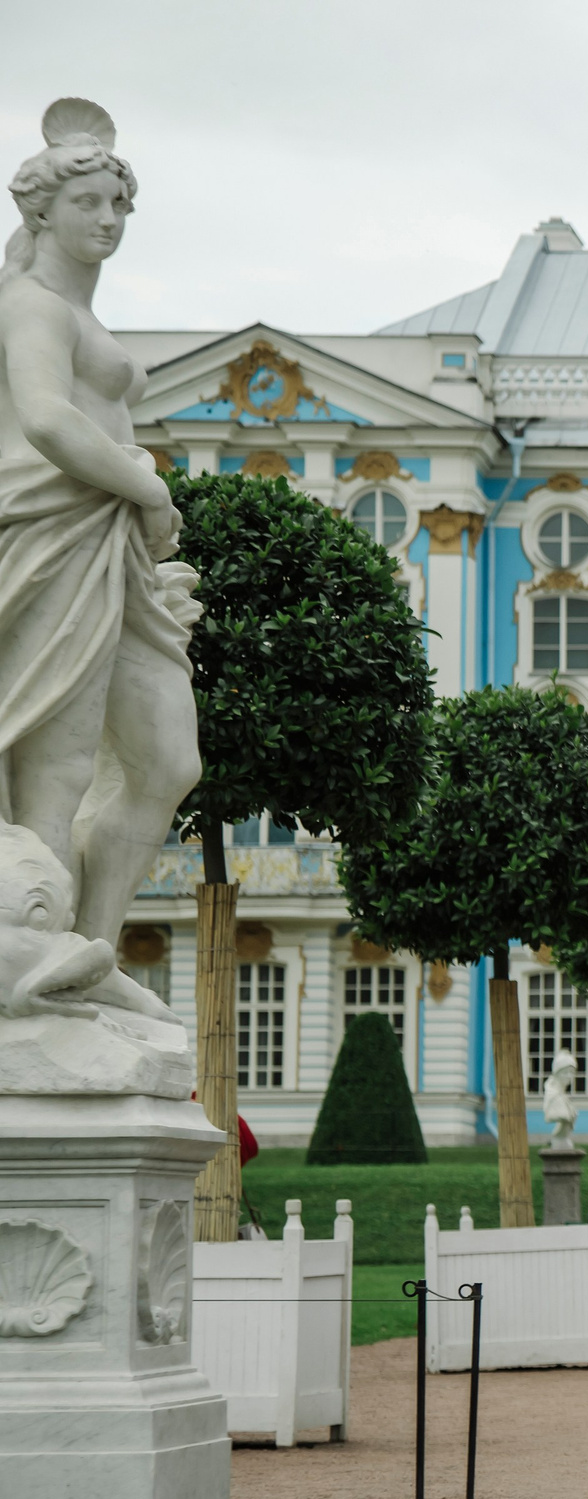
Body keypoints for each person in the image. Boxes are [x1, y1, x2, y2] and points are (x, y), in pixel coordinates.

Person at [0, 99, 202, 948]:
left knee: (166, 762)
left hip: (109, 547)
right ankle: (43, 961)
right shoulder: (32, 303)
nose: (109, 220)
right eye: (89, 203)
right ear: (40, 209)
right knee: (60, 766)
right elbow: (46, 417)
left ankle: (88, 946)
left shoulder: (82, 315)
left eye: (119, 204)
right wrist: (149, 487)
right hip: (50, 532)